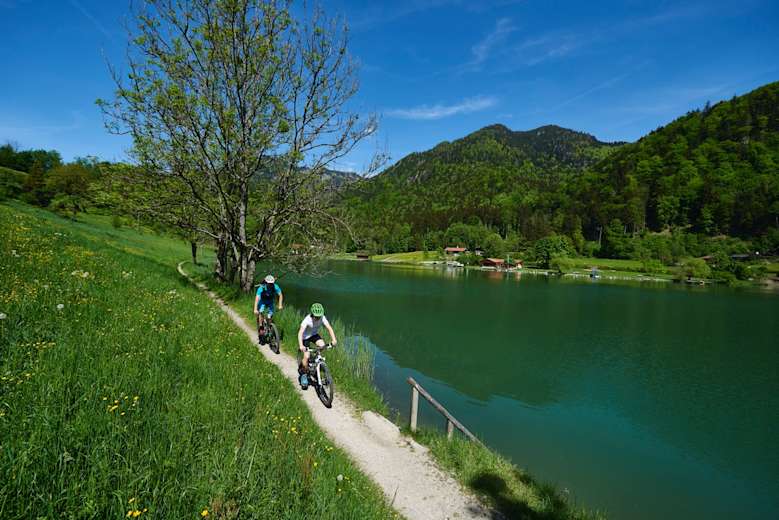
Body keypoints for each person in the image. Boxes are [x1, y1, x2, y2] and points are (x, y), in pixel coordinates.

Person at [297, 302, 337, 388]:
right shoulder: (307, 320)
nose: (318, 318)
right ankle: (303, 375)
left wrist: (334, 339)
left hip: (314, 335)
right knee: (306, 356)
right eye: (316, 317)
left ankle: (315, 362)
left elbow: (329, 328)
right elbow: (300, 333)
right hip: (305, 337)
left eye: (319, 316)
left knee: (322, 345)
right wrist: (301, 345)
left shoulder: (322, 318)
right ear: (312, 315)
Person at [254, 274, 283, 342]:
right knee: (261, 311)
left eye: (271, 283)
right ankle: (261, 326)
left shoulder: (275, 286)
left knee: (269, 315)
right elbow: (257, 299)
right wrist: (255, 309)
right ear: (266, 282)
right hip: (262, 302)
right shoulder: (261, 288)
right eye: (269, 283)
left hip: (270, 302)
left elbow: (280, 295)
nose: (270, 285)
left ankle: (270, 326)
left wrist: (280, 305)